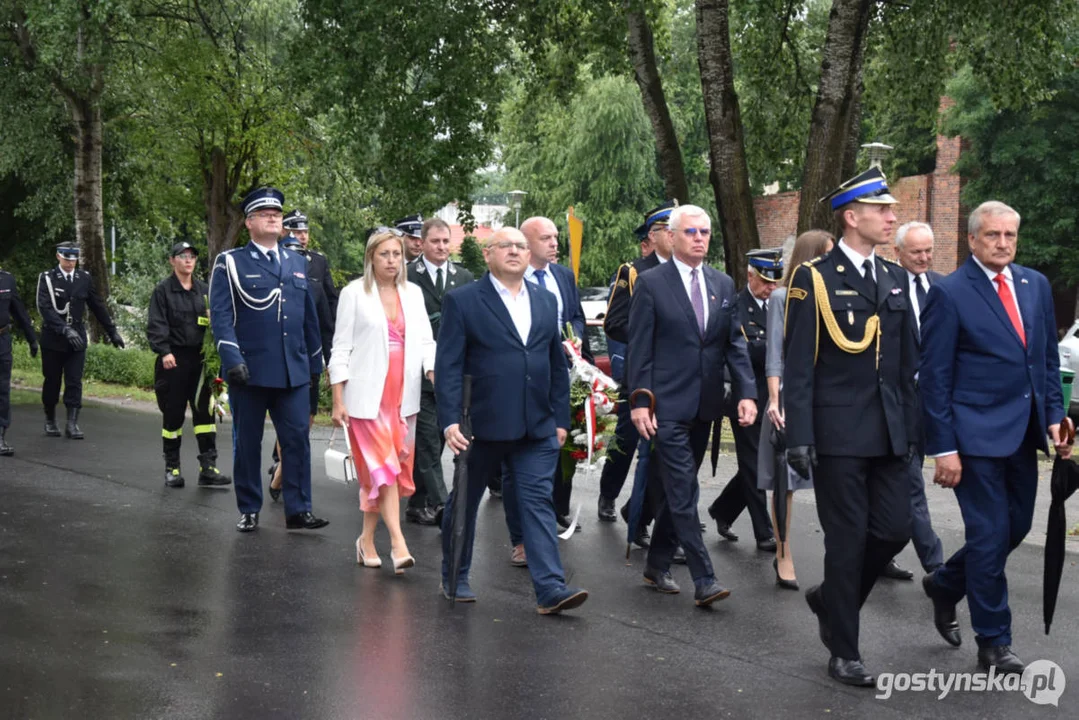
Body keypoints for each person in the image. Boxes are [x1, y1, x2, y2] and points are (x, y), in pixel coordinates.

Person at [920, 201, 1070, 674]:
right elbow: (935, 378)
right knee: (988, 538)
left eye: (1009, 235)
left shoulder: (1035, 285)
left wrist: (1054, 417)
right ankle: (994, 642)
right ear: (971, 240)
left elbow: (1045, 362)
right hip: (973, 439)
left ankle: (945, 583)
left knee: (1017, 528)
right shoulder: (951, 293)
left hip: (1024, 435)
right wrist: (944, 448)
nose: (1002, 243)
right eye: (992, 235)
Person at [783, 167, 918, 687]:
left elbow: (906, 364)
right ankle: (845, 651)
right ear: (851, 216)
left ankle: (829, 601)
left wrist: (913, 433)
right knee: (847, 541)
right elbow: (799, 365)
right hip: (836, 435)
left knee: (893, 530)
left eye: (891, 209)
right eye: (881, 209)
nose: (891, 216)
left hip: (888, 432)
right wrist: (798, 435)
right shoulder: (814, 277)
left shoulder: (893, 277)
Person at [436, 226, 588, 614]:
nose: (516, 252)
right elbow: (449, 365)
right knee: (465, 502)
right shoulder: (464, 301)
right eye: (507, 246)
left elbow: (555, 363)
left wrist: (559, 418)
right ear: (488, 254)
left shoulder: (544, 299)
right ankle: (455, 574)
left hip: (535, 425)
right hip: (481, 424)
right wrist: (450, 420)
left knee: (538, 502)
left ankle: (551, 588)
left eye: (522, 246)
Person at [626, 204, 756, 607]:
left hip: (706, 406)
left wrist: (747, 392)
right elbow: (639, 350)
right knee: (685, 489)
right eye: (691, 233)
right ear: (673, 235)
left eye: (704, 232)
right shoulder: (652, 283)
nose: (699, 239)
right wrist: (640, 402)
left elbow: (733, 343)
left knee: (675, 490)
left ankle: (656, 563)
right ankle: (705, 578)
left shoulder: (721, 282)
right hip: (665, 405)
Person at [209, 187, 327, 533]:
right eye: (265, 213)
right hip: (250, 369)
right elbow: (221, 314)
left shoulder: (296, 262)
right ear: (249, 223)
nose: (274, 216)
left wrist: (315, 365)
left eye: (277, 212)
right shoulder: (231, 262)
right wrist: (231, 357)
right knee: (247, 443)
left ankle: (299, 509)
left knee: (297, 441)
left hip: (293, 371)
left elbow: (308, 318)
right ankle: (249, 507)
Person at [329, 228, 435, 573]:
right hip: (367, 399)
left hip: (403, 399)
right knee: (384, 469)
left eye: (397, 254)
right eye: (384, 254)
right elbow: (341, 348)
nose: (392, 261)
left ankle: (366, 540)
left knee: (384, 473)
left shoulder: (414, 293)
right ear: (371, 258)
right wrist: (337, 399)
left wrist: (434, 372)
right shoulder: (354, 293)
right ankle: (398, 543)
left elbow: (426, 343)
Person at [757, 230, 834, 590]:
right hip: (790, 396)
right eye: (826, 255)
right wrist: (775, 400)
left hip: (829, 397)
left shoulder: (835, 293)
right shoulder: (781, 297)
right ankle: (783, 553)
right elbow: (775, 353)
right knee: (784, 480)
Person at [599, 201, 676, 544]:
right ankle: (608, 493)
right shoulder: (633, 272)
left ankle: (648, 515)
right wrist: (653, 334)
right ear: (654, 235)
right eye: (669, 230)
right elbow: (613, 324)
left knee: (666, 452)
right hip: (641, 376)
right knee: (629, 442)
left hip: (676, 378)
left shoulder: (688, 272)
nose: (677, 237)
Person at [707, 249, 781, 551]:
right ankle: (764, 532)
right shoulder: (736, 306)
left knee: (765, 462)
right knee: (753, 462)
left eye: (775, 281)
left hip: (776, 393)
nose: (771, 287)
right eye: (765, 281)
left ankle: (723, 509)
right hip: (745, 394)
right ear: (750, 276)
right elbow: (741, 352)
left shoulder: (780, 304)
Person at [884, 221, 946, 581]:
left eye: (928, 250)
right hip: (898, 403)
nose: (923, 258)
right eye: (916, 251)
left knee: (900, 487)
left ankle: (878, 554)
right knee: (911, 484)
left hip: (935, 404)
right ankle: (935, 564)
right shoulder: (884, 286)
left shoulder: (942, 286)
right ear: (898, 252)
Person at [405, 217, 474, 526]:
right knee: (428, 440)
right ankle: (444, 504)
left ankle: (417, 504)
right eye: (436, 241)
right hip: (418, 370)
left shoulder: (464, 276)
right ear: (423, 242)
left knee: (441, 438)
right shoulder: (408, 275)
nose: (442, 247)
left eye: (446, 241)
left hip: (455, 370)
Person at [146, 241, 231, 489]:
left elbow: (217, 320)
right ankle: (172, 467)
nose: (188, 260)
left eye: (192, 256)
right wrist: (164, 351)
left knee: (205, 414)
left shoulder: (204, 290)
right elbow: (156, 324)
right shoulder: (163, 291)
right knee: (173, 415)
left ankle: (208, 467)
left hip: (201, 360)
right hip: (173, 360)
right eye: (182, 256)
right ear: (172, 260)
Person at [266, 212, 338, 502]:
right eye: (296, 231)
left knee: (304, 420)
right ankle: (285, 471)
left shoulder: (317, 262)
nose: (303, 236)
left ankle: (283, 472)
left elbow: (327, 311)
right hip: (280, 353)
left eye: (306, 231)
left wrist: (332, 357)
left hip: (309, 353)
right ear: (284, 232)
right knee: (289, 419)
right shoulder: (273, 260)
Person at [36, 242, 125, 439]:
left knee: (74, 381)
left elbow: (97, 306)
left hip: (76, 339)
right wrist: (63, 329)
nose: (70, 263)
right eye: (67, 259)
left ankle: (72, 423)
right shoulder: (48, 278)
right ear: (58, 257)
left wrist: (112, 332)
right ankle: (50, 419)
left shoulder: (83, 278)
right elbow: (45, 308)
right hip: (53, 338)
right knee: (52, 381)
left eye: (74, 259)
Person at [0, 266, 38, 456]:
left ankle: (0, 437)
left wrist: (32, 338)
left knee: (2, 390)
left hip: (2, 340)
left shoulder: (7, 279)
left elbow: (19, 311)